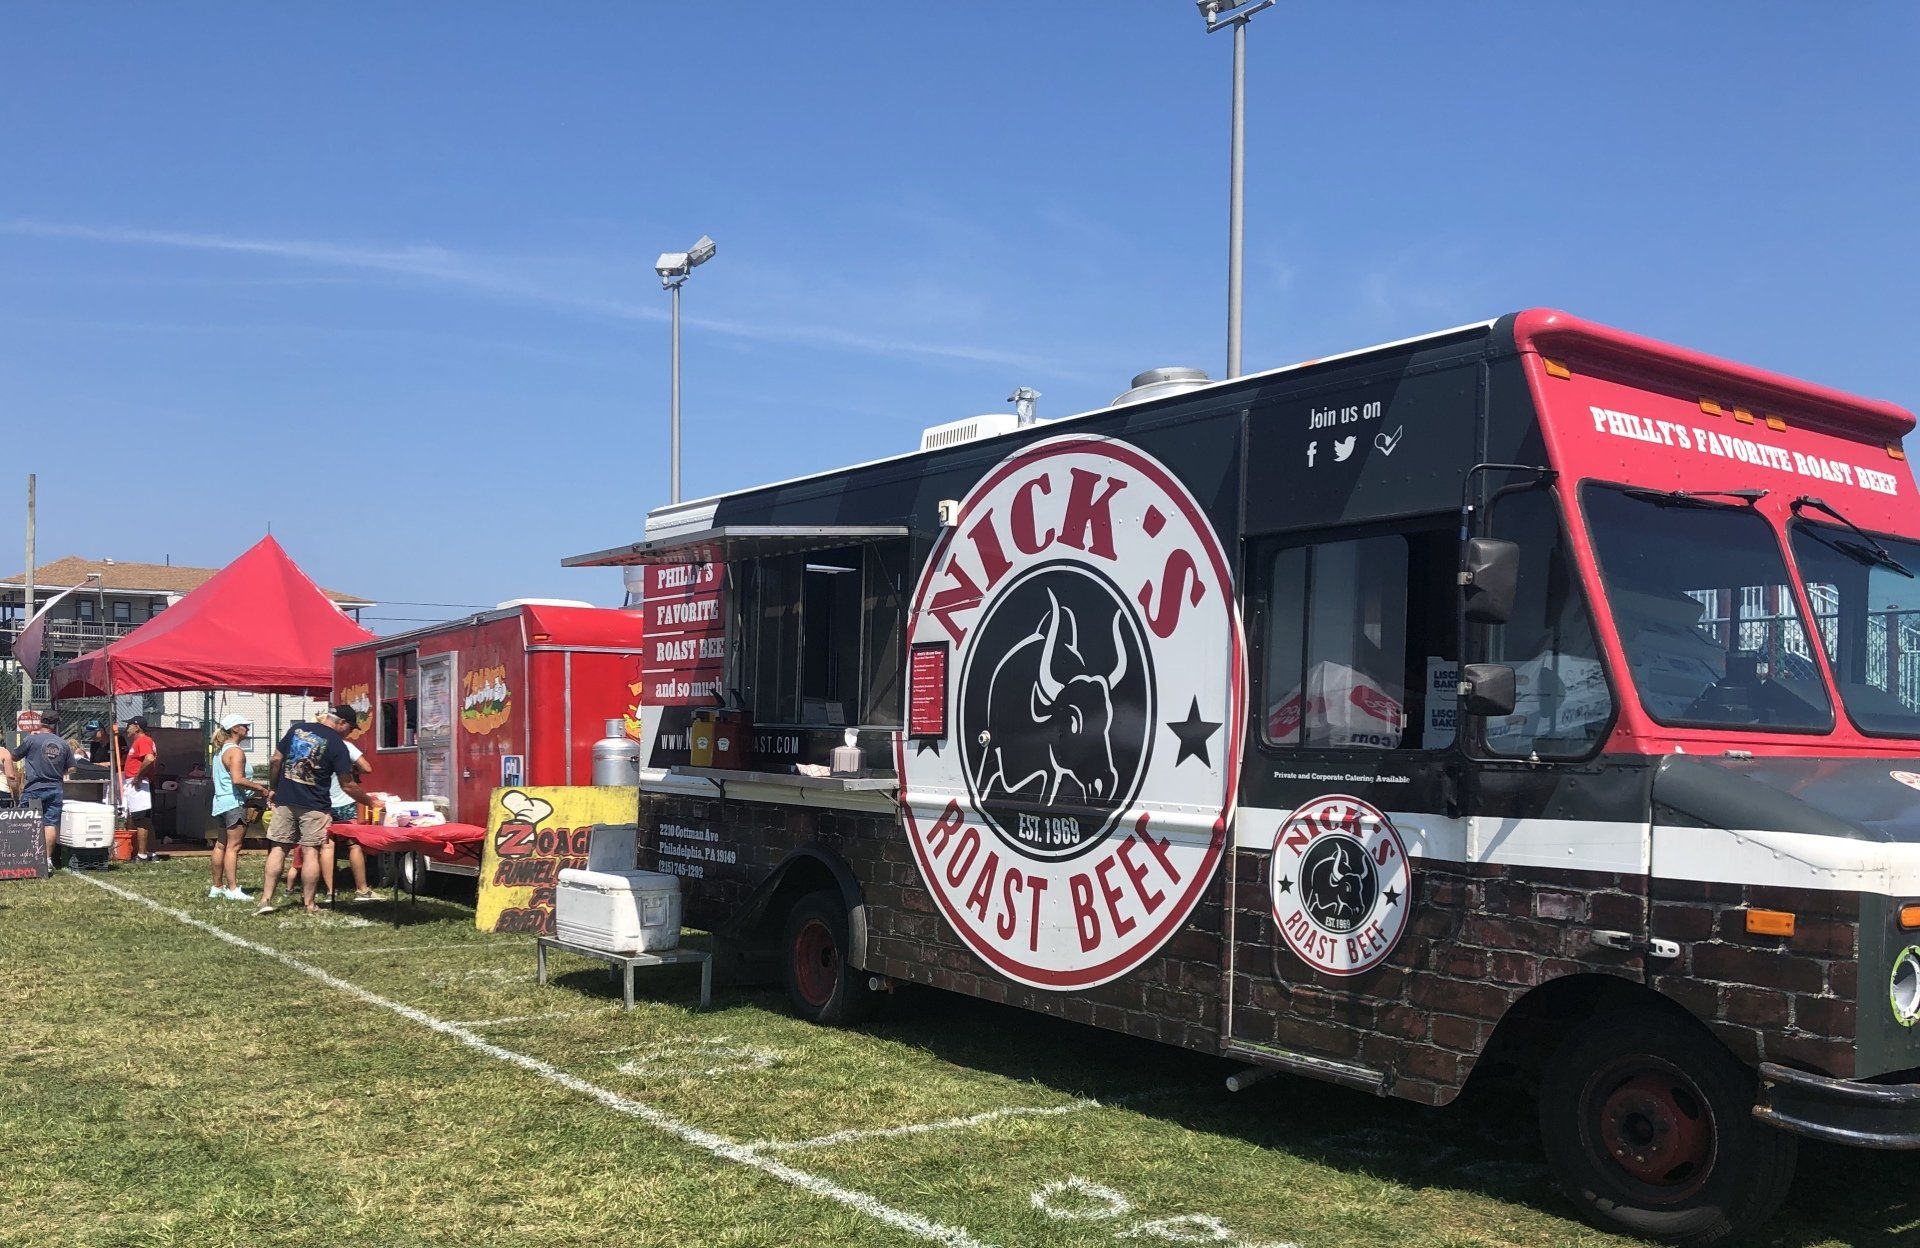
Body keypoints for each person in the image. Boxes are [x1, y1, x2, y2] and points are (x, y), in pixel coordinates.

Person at [256, 705, 370, 916]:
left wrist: (274, 787)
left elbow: (275, 760)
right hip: (315, 805)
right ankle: (309, 904)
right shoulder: (338, 744)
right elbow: (348, 784)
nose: (350, 733)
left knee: (279, 848)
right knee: (311, 853)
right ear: (341, 723)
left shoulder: (297, 729)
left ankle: (265, 899)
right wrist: (369, 802)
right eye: (350, 728)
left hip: (286, 800)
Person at [207, 714, 271, 901]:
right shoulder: (236, 752)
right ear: (235, 729)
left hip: (220, 802)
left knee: (221, 845)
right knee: (233, 847)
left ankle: (217, 886)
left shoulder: (220, 750)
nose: (248, 729)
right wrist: (261, 789)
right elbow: (238, 780)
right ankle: (233, 889)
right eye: (244, 726)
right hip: (234, 803)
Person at [320, 736, 377, 903]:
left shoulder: (318, 745)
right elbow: (367, 768)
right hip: (347, 800)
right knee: (354, 844)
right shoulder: (345, 745)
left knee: (327, 846)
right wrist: (351, 769)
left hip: (324, 801)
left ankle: (330, 891)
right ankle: (362, 888)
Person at [18, 713, 76, 868]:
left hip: (34, 787)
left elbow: (15, 756)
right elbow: (72, 768)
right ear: (56, 725)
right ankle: (47, 859)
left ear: (40, 722)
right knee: (50, 823)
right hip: (55, 787)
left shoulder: (31, 739)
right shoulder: (63, 744)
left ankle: (27, 856)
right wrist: (58, 773)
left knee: (28, 821)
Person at [123, 716, 159, 861]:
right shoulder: (142, 741)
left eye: (129, 725)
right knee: (146, 820)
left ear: (137, 727)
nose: (127, 728)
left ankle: (142, 854)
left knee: (141, 819)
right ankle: (151, 852)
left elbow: (149, 758)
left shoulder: (142, 740)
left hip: (140, 783)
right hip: (140, 782)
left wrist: (138, 776)